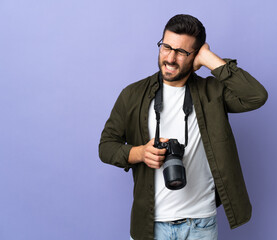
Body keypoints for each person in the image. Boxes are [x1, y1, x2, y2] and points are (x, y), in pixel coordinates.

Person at [99, 14, 268, 240]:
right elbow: (106, 146)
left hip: (201, 224)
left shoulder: (213, 93)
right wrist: (139, 153)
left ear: (195, 55)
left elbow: (256, 96)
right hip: (150, 225)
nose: (170, 57)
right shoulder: (133, 94)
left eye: (181, 52)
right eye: (166, 47)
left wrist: (210, 58)